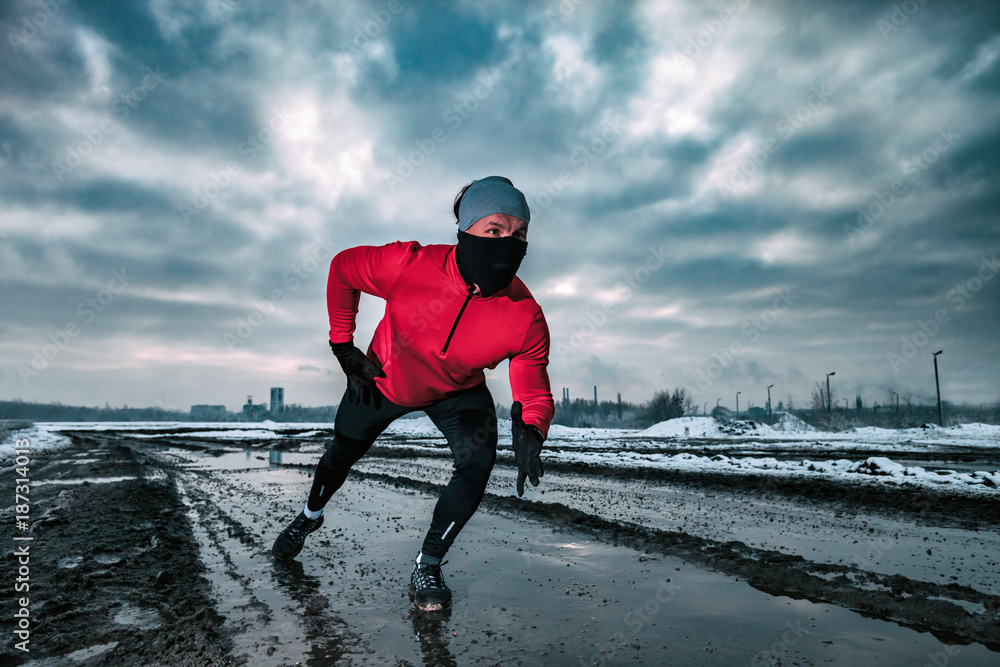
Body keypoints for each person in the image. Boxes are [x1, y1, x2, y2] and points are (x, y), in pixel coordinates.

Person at [271, 176, 555, 612]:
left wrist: (534, 428)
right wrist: (343, 345)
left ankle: (429, 563)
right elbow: (342, 268)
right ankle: (309, 516)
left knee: (479, 458)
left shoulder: (525, 315)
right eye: (494, 229)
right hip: (383, 378)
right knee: (340, 453)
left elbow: (533, 387)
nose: (507, 242)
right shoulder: (409, 264)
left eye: (519, 234)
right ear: (464, 230)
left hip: (457, 391)